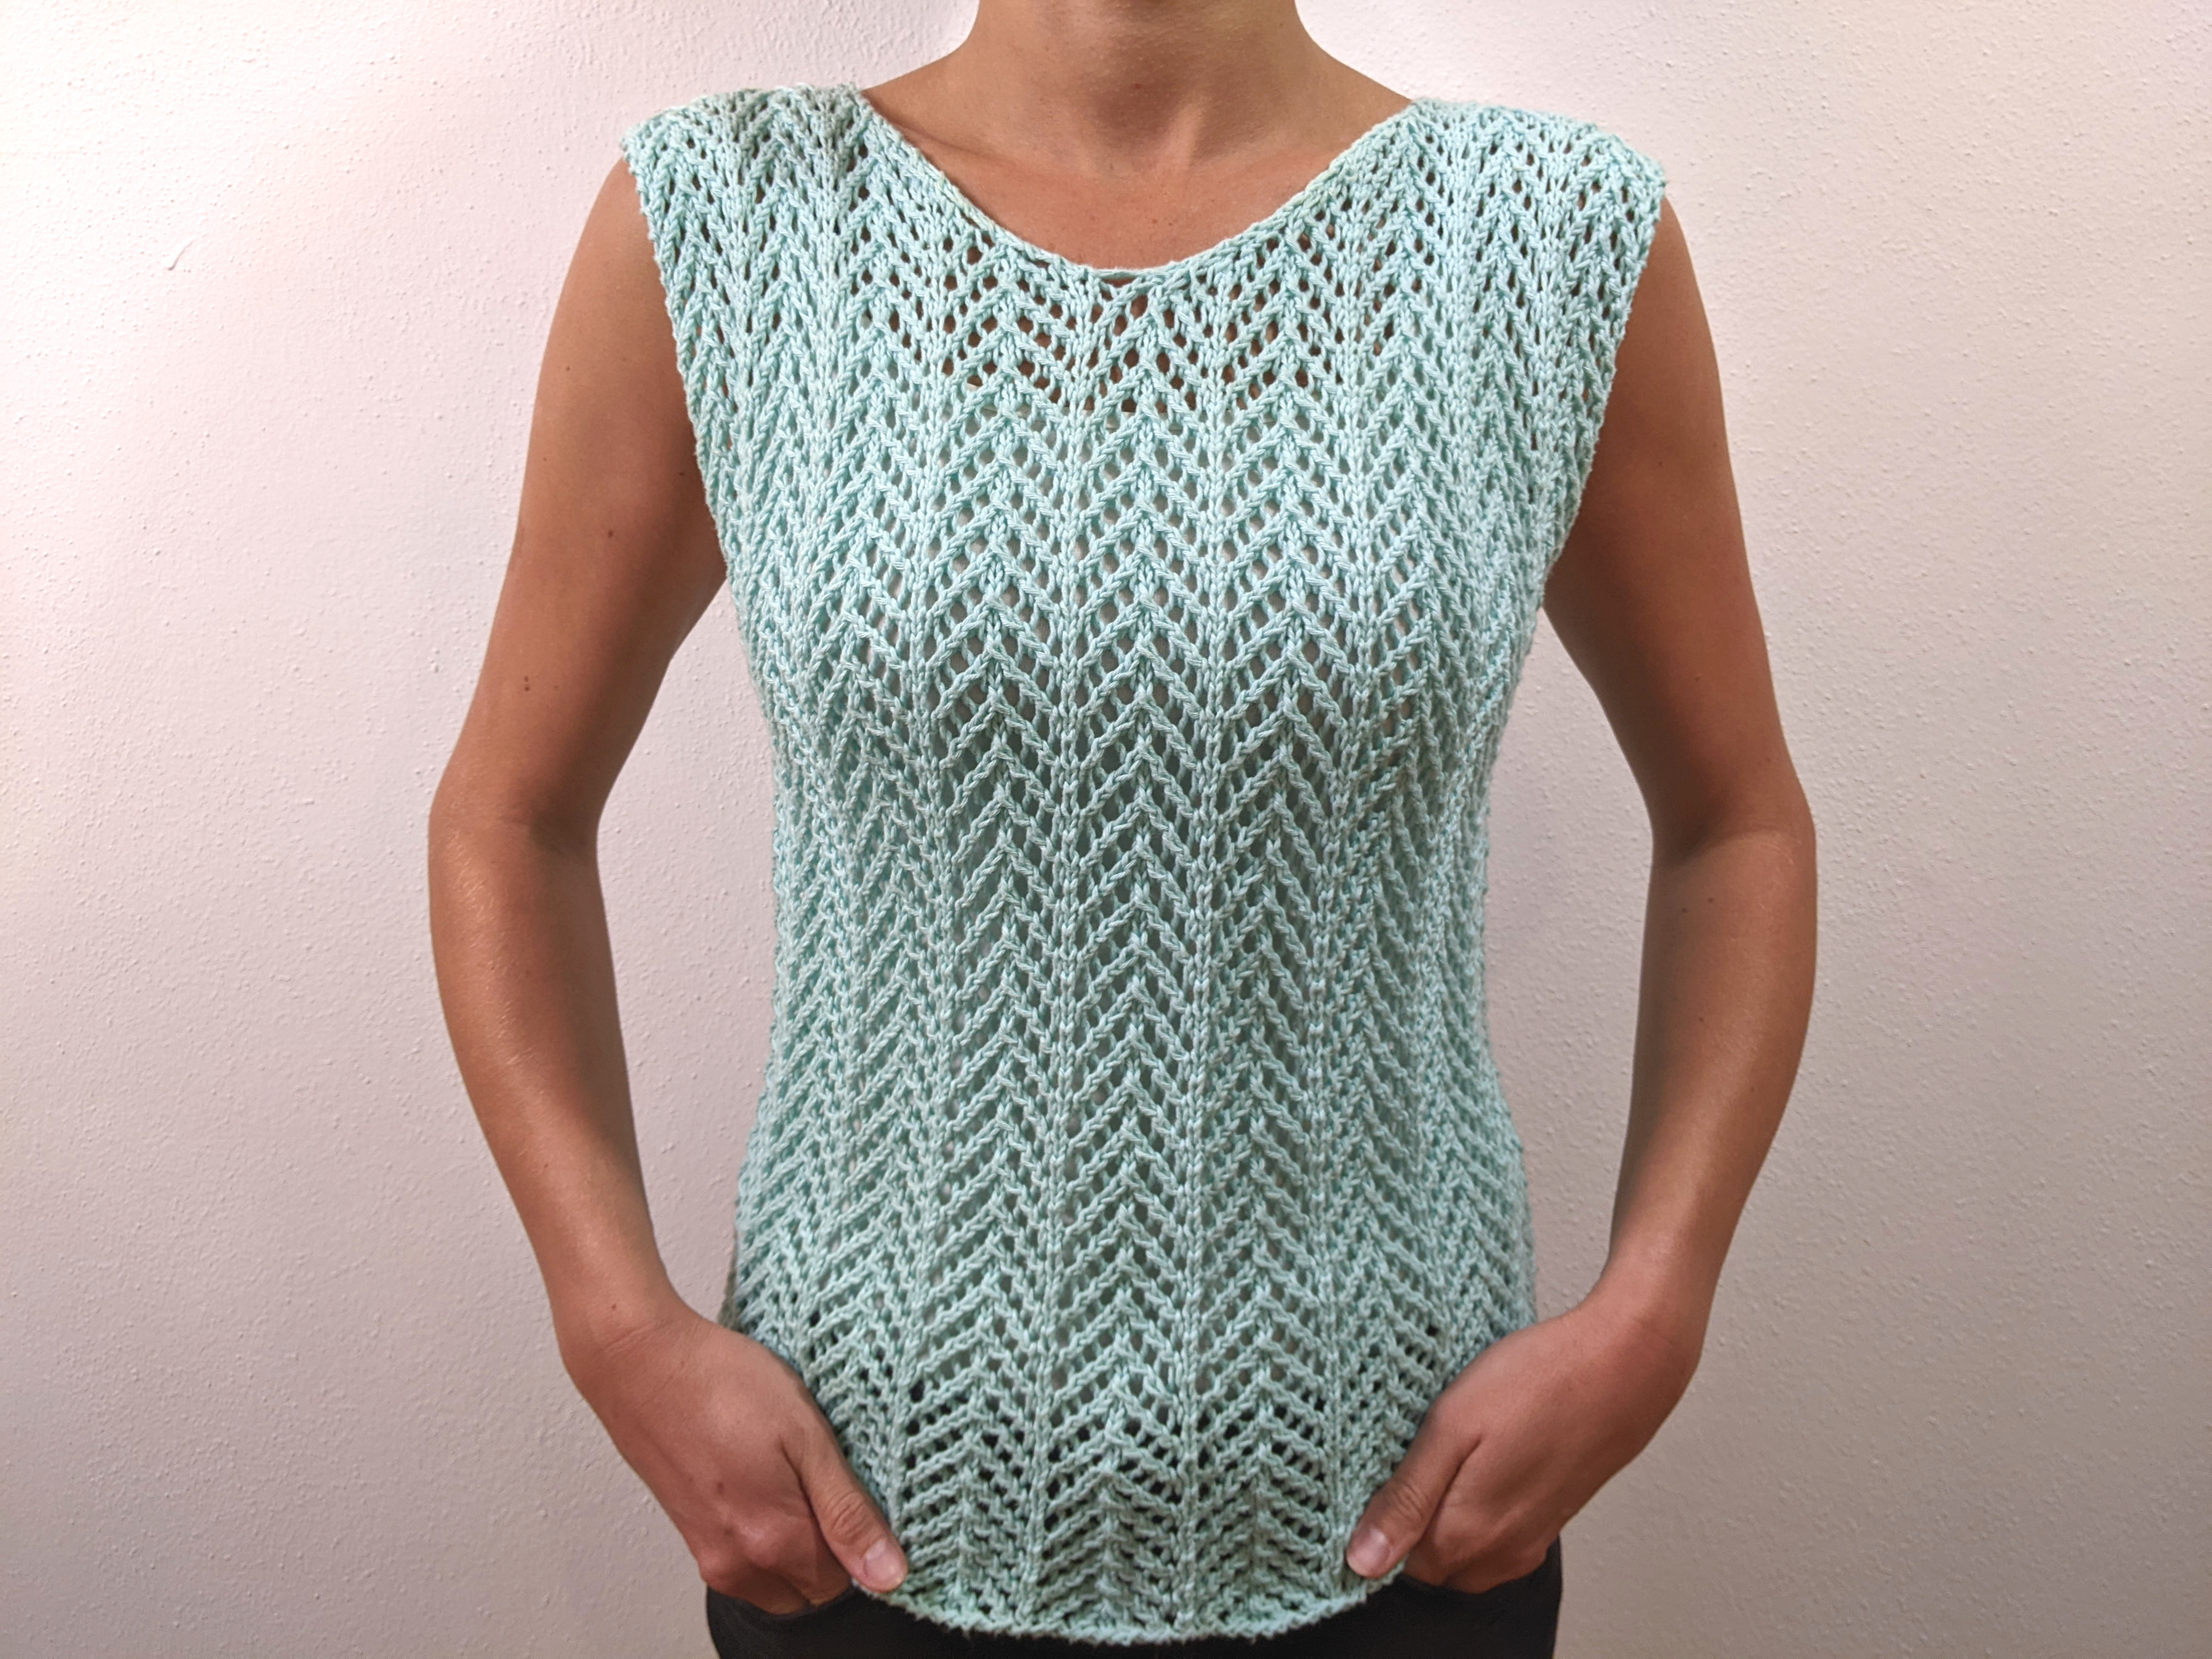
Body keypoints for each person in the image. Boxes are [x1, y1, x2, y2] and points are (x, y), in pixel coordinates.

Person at [427, 3, 1816, 1655]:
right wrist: (615, 1327)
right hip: (850, 1516)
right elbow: (509, 817)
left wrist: (1657, 1308)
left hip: (1412, 1516)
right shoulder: (731, 218)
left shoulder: (1546, 240)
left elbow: (1738, 821)